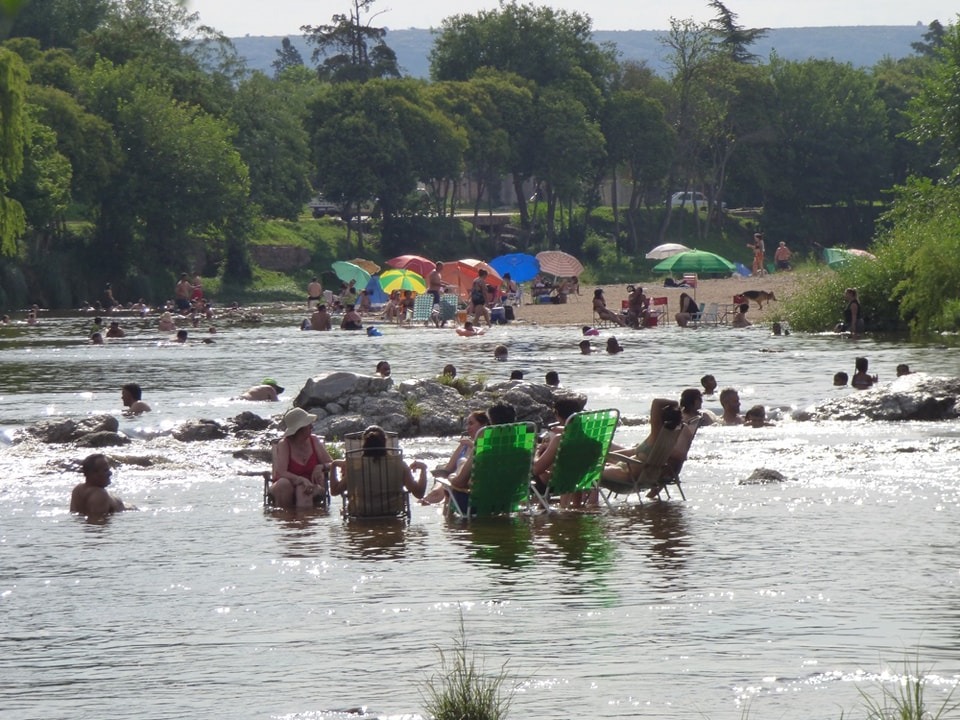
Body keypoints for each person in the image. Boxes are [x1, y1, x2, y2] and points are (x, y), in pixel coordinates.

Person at [329, 425, 428, 500]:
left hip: (362, 514)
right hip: (392, 513)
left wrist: (333, 465)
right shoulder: (399, 466)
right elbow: (419, 494)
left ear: (364, 444)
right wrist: (423, 470)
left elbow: (334, 491)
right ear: (385, 442)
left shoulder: (355, 467)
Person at [603, 400, 684, 487]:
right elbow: (635, 451)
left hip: (627, 474)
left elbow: (656, 402)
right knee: (600, 460)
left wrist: (675, 403)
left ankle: (592, 500)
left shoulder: (656, 435)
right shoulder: (668, 436)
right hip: (640, 474)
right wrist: (607, 455)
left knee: (590, 470)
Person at [421, 411, 491, 505]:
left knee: (439, 491)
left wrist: (472, 445)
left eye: (471, 423)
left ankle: (432, 501)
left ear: (483, 425)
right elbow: (448, 469)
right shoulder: (464, 445)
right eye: (467, 424)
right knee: (436, 490)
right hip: (454, 482)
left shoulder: (487, 448)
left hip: (463, 486)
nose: (468, 428)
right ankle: (430, 500)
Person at [268, 407, 333, 508]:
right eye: (308, 425)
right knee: (283, 484)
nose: (311, 427)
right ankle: (286, 521)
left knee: (303, 490)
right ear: (299, 429)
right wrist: (300, 479)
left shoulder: (314, 441)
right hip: (287, 485)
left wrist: (321, 467)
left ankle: (303, 521)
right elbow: (281, 472)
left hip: (311, 486)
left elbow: (332, 464)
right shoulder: (284, 444)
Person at [532, 397, 588, 507]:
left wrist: (537, 452)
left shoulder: (559, 439)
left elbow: (536, 469)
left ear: (557, 413)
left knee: (534, 470)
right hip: (584, 479)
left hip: (558, 482)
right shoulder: (589, 436)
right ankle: (576, 506)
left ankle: (541, 508)